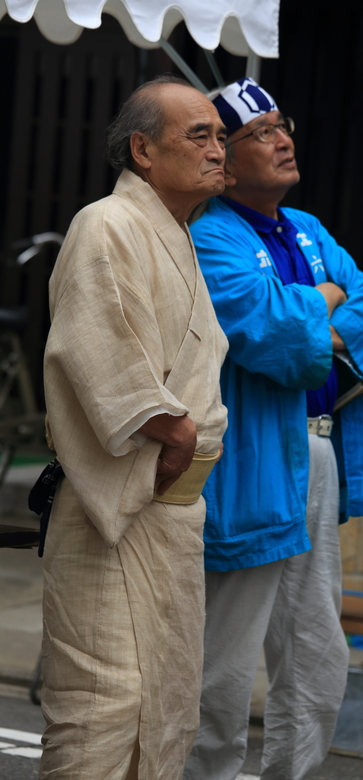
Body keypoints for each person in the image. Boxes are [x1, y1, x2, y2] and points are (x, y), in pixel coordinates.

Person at [183, 78, 363, 780]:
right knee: (227, 656)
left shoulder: (308, 227)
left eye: (283, 124)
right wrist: (319, 307)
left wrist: (313, 312)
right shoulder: (211, 235)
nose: (283, 138)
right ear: (224, 160)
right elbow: (267, 334)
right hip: (252, 456)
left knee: (315, 646)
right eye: (261, 132)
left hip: (319, 444)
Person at [40, 75, 228, 780]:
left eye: (218, 136)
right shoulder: (108, 223)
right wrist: (175, 431)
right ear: (143, 150)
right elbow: (97, 349)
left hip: (174, 516)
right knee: (104, 707)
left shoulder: (178, 234)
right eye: (199, 135)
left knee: (165, 700)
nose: (219, 150)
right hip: (115, 508)